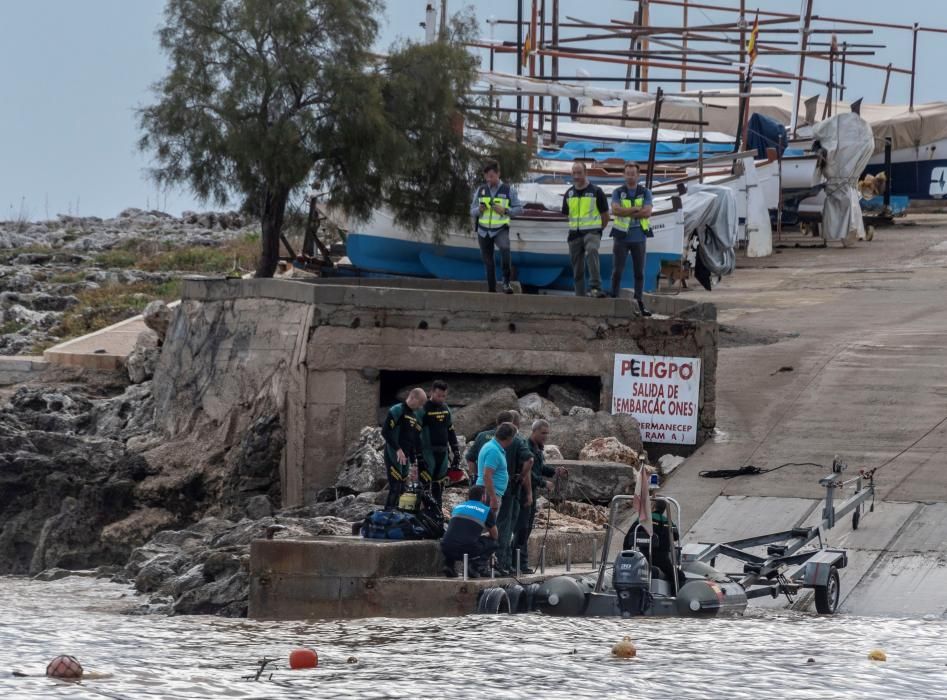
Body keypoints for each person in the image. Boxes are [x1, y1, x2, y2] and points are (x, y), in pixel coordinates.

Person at [514, 419, 568, 574]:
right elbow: (528, 472)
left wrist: (554, 472)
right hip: (524, 492)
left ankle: (519, 562)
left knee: (528, 528)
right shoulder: (526, 447)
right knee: (522, 528)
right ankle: (519, 563)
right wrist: (543, 483)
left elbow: (539, 468)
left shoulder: (538, 448)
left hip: (532, 491)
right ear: (534, 431)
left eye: (547, 433)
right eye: (543, 433)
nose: (545, 436)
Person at [470, 160, 524, 294]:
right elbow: (472, 210)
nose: (489, 179)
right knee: (488, 261)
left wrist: (505, 210)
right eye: (487, 176)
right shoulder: (481, 190)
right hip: (483, 231)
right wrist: (479, 210)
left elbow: (519, 209)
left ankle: (506, 282)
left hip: (500, 229)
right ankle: (492, 289)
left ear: (498, 174)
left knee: (505, 249)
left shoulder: (508, 190)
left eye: (492, 176)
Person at [610, 161, 654, 316]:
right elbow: (615, 210)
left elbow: (647, 212)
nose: (630, 176)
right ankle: (613, 299)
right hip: (621, 237)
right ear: (624, 175)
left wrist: (625, 211)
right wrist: (635, 209)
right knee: (617, 271)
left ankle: (639, 302)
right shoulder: (617, 192)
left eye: (633, 173)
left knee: (639, 273)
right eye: (627, 173)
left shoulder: (646, 192)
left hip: (639, 237)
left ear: (638, 175)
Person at [561, 160, 610, 298]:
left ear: (586, 173)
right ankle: (580, 296)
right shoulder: (569, 193)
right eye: (574, 173)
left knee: (592, 251)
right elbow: (566, 215)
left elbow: (605, 215)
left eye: (579, 173)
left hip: (592, 232)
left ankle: (595, 287)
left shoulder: (596, 191)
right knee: (577, 268)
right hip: (574, 235)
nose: (576, 176)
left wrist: (599, 230)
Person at [381, 387, 426, 510]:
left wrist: (413, 459)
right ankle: (387, 514)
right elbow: (385, 432)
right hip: (394, 453)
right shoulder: (397, 410)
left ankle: (399, 516)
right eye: (420, 403)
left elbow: (412, 438)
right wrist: (398, 449)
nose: (420, 407)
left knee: (403, 488)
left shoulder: (414, 415)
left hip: (405, 456)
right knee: (395, 487)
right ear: (413, 398)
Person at [418, 379, 461, 508]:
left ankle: (437, 513)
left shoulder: (445, 409)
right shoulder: (423, 409)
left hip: (442, 452)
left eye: (443, 396)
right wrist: (418, 456)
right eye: (438, 395)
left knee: (439, 486)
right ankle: (423, 514)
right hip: (427, 452)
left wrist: (456, 451)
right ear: (431, 392)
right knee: (424, 485)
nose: (441, 398)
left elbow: (451, 431)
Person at [440, 485, 499, 578]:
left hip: (446, 548)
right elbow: (495, 535)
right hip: (466, 550)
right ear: (483, 497)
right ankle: (475, 566)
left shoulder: (458, 507)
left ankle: (449, 565)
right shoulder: (486, 510)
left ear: (468, 496)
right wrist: (486, 535)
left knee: (454, 539)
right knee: (493, 543)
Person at [622, 499, 680, 584]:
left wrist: (627, 555)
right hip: (663, 559)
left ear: (653, 507)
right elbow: (676, 537)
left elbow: (628, 538)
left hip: (643, 557)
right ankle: (675, 594)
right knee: (680, 576)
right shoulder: (669, 522)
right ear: (664, 509)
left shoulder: (643, 519)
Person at [476, 422, 518, 513]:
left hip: (489, 491)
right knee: (488, 525)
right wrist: (493, 498)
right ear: (509, 438)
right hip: (489, 492)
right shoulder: (493, 450)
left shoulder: (493, 447)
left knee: (487, 524)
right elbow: (487, 475)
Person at [465, 409, 515, 482]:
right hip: (502, 484)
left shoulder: (482, 436)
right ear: (511, 423)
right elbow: (528, 460)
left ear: (497, 421)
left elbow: (470, 458)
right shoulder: (514, 439)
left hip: (482, 482)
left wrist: (474, 477)